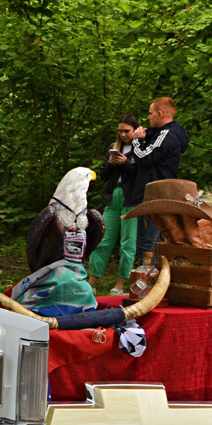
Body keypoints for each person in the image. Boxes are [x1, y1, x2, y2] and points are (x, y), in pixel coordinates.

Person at [122, 97, 189, 263]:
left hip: (156, 195)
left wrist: (137, 140)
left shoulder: (167, 135)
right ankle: (148, 280)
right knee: (147, 243)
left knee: (147, 245)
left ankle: (148, 282)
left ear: (160, 114)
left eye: (150, 114)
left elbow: (145, 158)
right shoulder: (160, 134)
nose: (148, 117)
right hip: (150, 194)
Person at [87, 114, 140, 295]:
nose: (124, 134)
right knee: (103, 239)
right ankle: (92, 280)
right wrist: (110, 164)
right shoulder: (113, 147)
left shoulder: (141, 148)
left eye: (127, 131)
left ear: (135, 130)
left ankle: (120, 283)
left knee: (128, 243)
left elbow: (139, 175)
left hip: (132, 198)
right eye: (120, 131)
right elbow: (103, 175)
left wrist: (125, 163)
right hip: (113, 196)